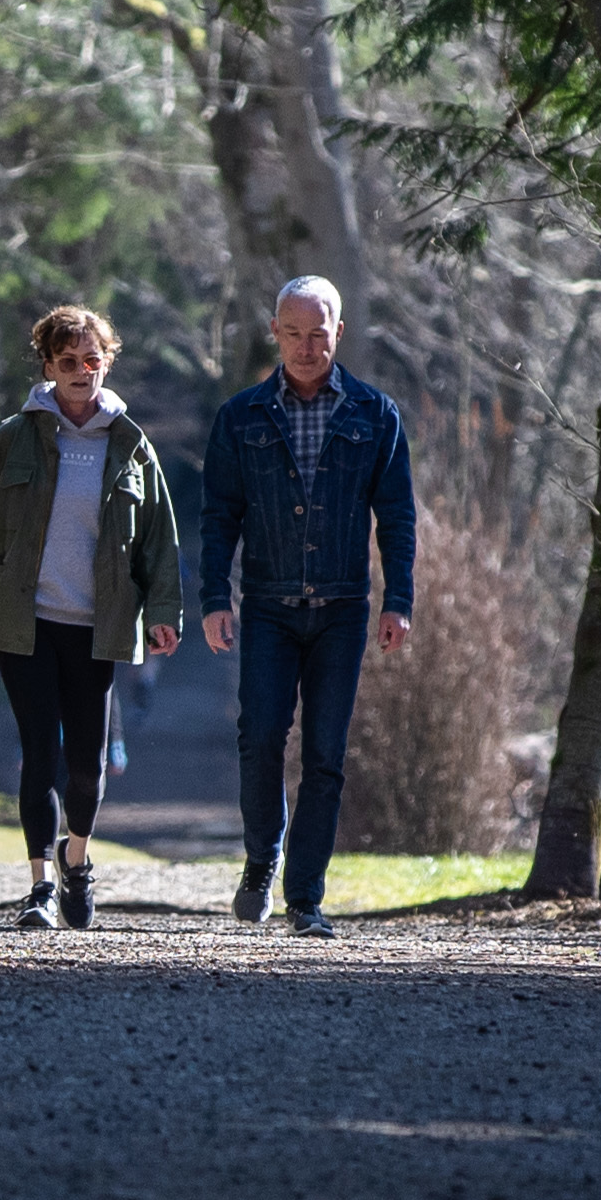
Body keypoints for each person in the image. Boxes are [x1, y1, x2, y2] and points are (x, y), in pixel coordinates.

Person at [0, 305, 185, 929]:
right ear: (48, 366)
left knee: (86, 762)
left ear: (107, 363)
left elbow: (159, 539)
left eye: (92, 360)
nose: (82, 372)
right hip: (25, 622)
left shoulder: (130, 444)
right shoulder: (12, 438)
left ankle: (75, 859)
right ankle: (40, 887)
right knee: (39, 751)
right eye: (68, 361)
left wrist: (163, 612)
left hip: (97, 626)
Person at [196, 276, 416, 934]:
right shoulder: (240, 416)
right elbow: (217, 516)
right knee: (260, 737)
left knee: (325, 753)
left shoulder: (375, 415)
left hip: (344, 608)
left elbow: (397, 516)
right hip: (266, 604)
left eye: (317, 333)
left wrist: (397, 599)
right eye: (291, 332)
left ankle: (306, 898)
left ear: (338, 333)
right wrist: (214, 597)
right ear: (274, 333)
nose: (304, 345)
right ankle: (261, 858)